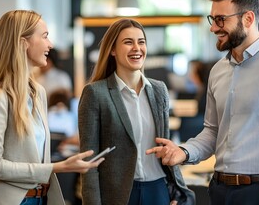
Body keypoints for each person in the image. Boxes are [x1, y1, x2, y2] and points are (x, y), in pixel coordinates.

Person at [146, 0, 259, 205]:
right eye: (212, 19)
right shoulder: (218, 71)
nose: (213, 28)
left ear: (248, 19)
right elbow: (212, 132)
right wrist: (184, 152)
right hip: (219, 190)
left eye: (220, 20)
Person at [0, 10, 103, 205]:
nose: (50, 45)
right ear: (23, 43)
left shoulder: (38, 92)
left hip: (42, 198)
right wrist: (55, 167)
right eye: (45, 36)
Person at [78, 18, 195, 205]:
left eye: (141, 42)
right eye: (128, 42)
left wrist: (175, 194)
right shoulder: (95, 93)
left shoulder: (159, 90)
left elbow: (165, 147)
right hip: (119, 195)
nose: (136, 48)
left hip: (158, 190)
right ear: (113, 50)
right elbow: (89, 162)